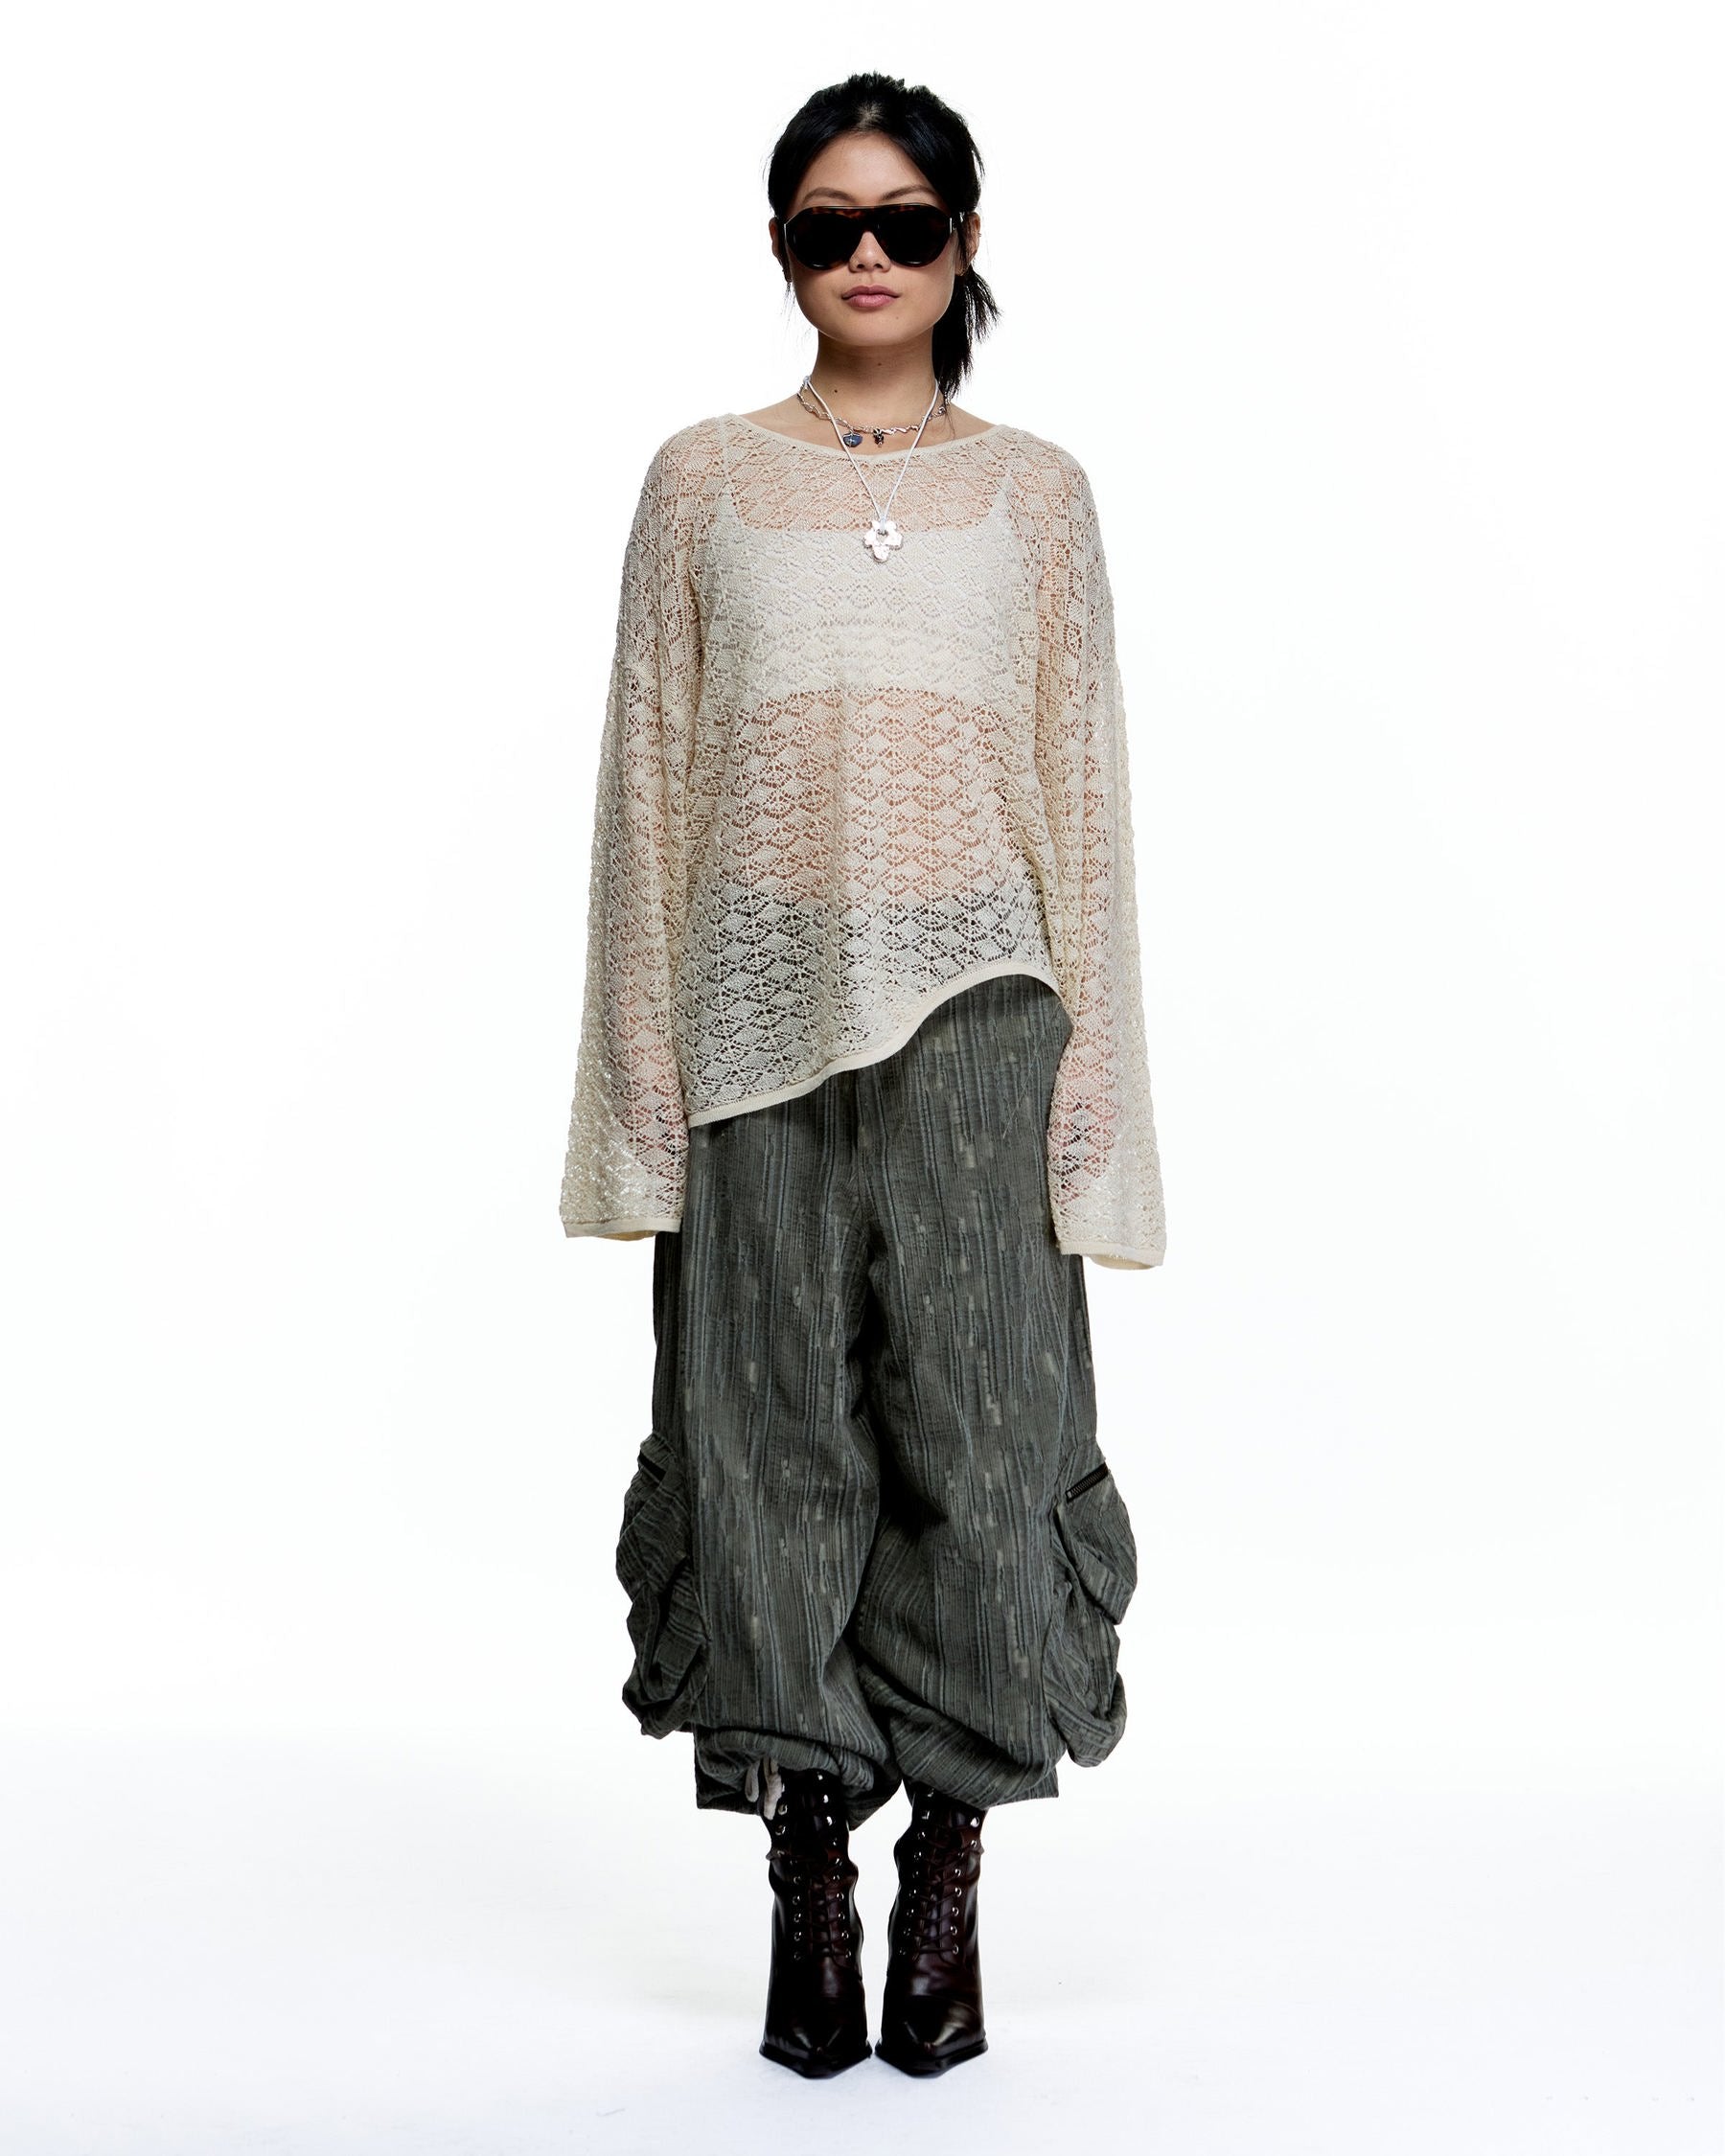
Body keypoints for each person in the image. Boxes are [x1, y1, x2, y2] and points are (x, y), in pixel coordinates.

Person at [559, 71, 1167, 2079]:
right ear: (781, 249)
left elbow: (1083, 789)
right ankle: (812, 1877)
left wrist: (1096, 1080)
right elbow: (649, 782)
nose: (871, 258)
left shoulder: (1041, 496)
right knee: (764, 1443)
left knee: (984, 1440)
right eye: (831, 227)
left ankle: (951, 1880)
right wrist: (641, 1063)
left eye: (908, 224)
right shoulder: (703, 481)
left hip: (986, 1013)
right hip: (751, 1021)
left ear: (965, 243)